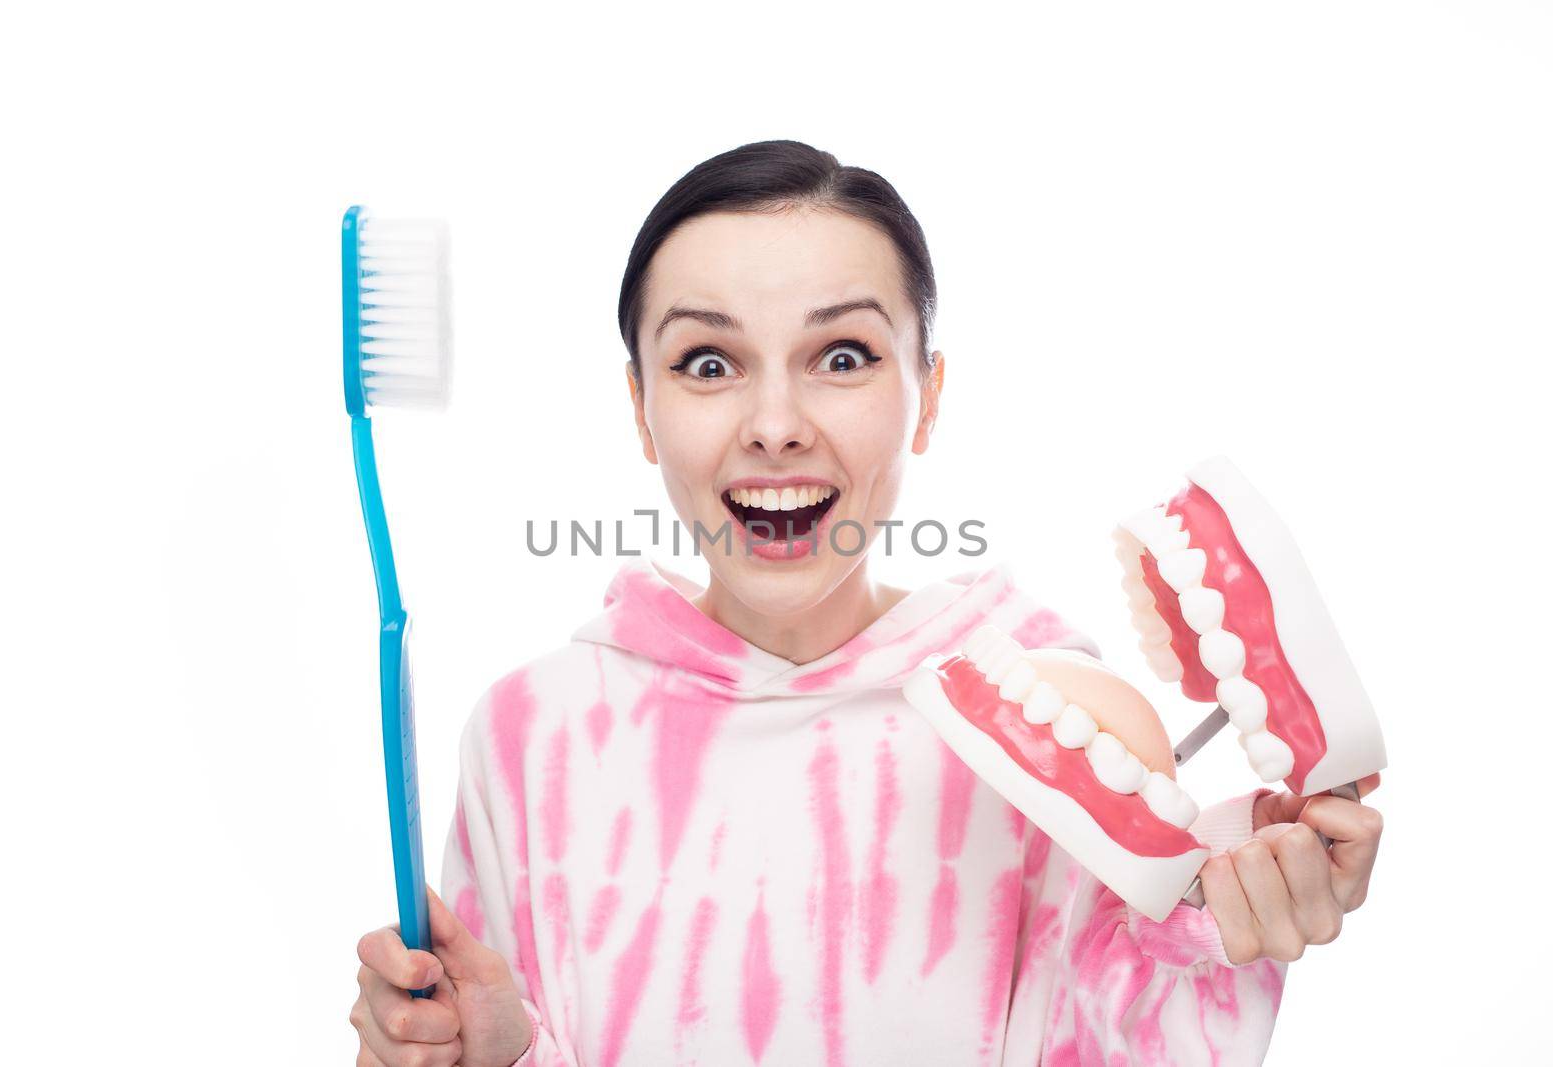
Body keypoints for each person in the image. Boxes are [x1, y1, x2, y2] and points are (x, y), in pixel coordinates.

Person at [348, 140, 1384, 1067]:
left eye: (840, 356)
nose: (775, 423)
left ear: (927, 392)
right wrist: (495, 1053)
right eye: (708, 362)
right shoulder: (536, 734)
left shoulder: (1056, 728)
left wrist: (1204, 935)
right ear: (641, 408)